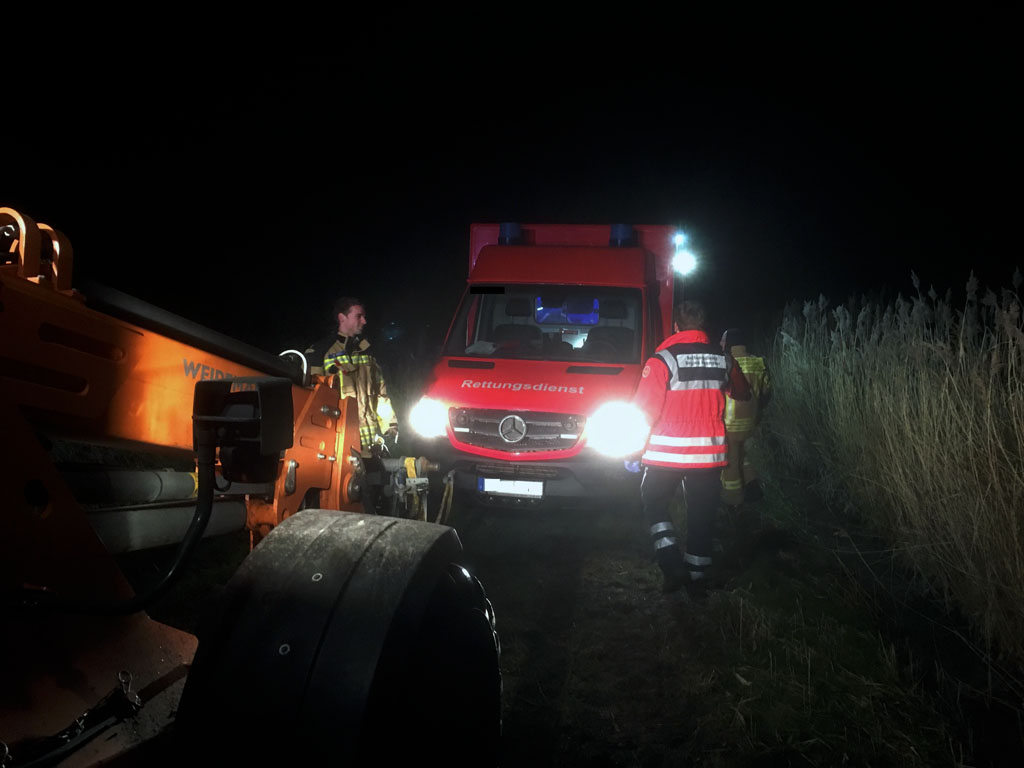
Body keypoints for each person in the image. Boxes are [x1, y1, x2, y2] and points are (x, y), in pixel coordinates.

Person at [628, 301, 751, 597]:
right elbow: (743, 393)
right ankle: (697, 582)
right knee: (702, 516)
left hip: (665, 454)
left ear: (676, 327)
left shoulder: (662, 360)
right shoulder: (724, 359)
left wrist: (633, 452)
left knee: (654, 503)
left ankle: (671, 563)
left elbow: (644, 412)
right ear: (703, 326)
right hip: (709, 456)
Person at [304, 296, 398, 454]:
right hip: (337, 447)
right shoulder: (320, 353)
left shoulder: (368, 352)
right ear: (342, 317)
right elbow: (312, 400)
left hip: (371, 447)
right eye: (358, 316)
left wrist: (390, 426)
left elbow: (380, 395)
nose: (364, 321)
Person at [719, 328, 773, 506]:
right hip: (751, 422)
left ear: (729, 343)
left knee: (731, 463)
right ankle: (754, 490)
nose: (721, 343)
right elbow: (766, 391)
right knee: (746, 457)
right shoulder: (759, 362)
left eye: (723, 340)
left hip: (729, 425)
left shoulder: (725, 363)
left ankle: (734, 501)